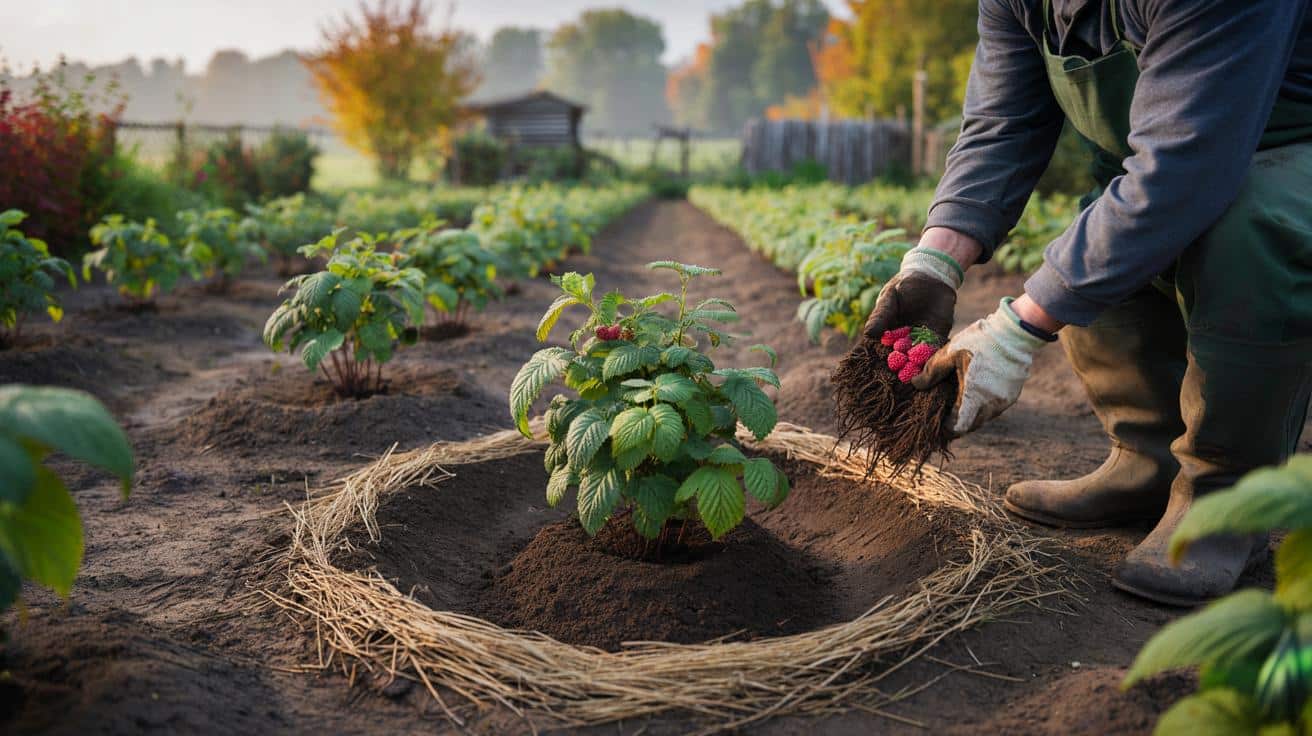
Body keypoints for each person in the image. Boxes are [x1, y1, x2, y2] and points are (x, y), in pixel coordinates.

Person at [861, 0, 1312, 606]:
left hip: (1289, 158)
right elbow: (1001, 126)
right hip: (1174, 162)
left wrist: (1017, 328)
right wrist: (934, 263)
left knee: (1247, 236)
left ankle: (1226, 498)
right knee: (1098, 239)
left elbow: (1183, 168)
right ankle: (1146, 462)